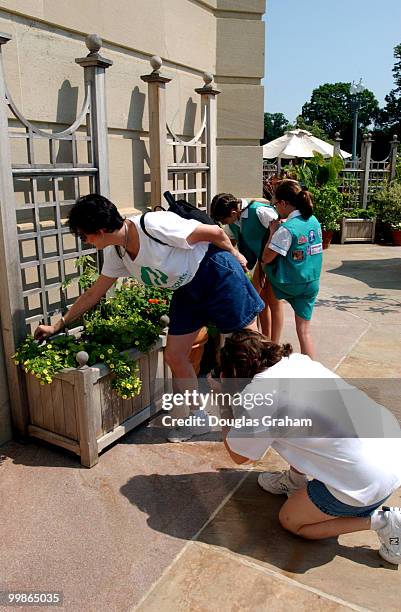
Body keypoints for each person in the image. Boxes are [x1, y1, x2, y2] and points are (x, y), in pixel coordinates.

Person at [34, 194, 265, 442]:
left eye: (84, 236)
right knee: (175, 355)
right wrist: (57, 325)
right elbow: (93, 294)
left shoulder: (153, 225)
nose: (85, 242)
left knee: (251, 350)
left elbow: (215, 233)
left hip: (217, 273)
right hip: (188, 289)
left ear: (100, 231)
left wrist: (235, 254)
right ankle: (198, 417)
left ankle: (267, 416)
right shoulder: (117, 253)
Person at [216, 330, 401, 565]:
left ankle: (383, 521)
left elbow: (239, 456)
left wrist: (224, 399)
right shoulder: (297, 361)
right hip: (392, 448)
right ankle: (295, 480)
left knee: (292, 521)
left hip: (368, 481)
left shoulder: (260, 395)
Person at [210, 193, 283, 341]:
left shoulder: (259, 212)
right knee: (260, 302)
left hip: (276, 260)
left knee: (274, 302)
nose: (224, 224)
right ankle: (265, 339)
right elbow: (229, 242)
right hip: (261, 262)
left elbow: (282, 232)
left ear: (233, 212)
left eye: (224, 220)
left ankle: (275, 343)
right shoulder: (234, 221)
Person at [262, 179, 322, 358]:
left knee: (263, 267)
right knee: (304, 332)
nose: (275, 208)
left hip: (289, 283)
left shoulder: (286, 229)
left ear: (283, 203)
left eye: (275, 204)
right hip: (311, 282)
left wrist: (273, 231)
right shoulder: (314, 220)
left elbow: (267, 257)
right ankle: (310, 373)